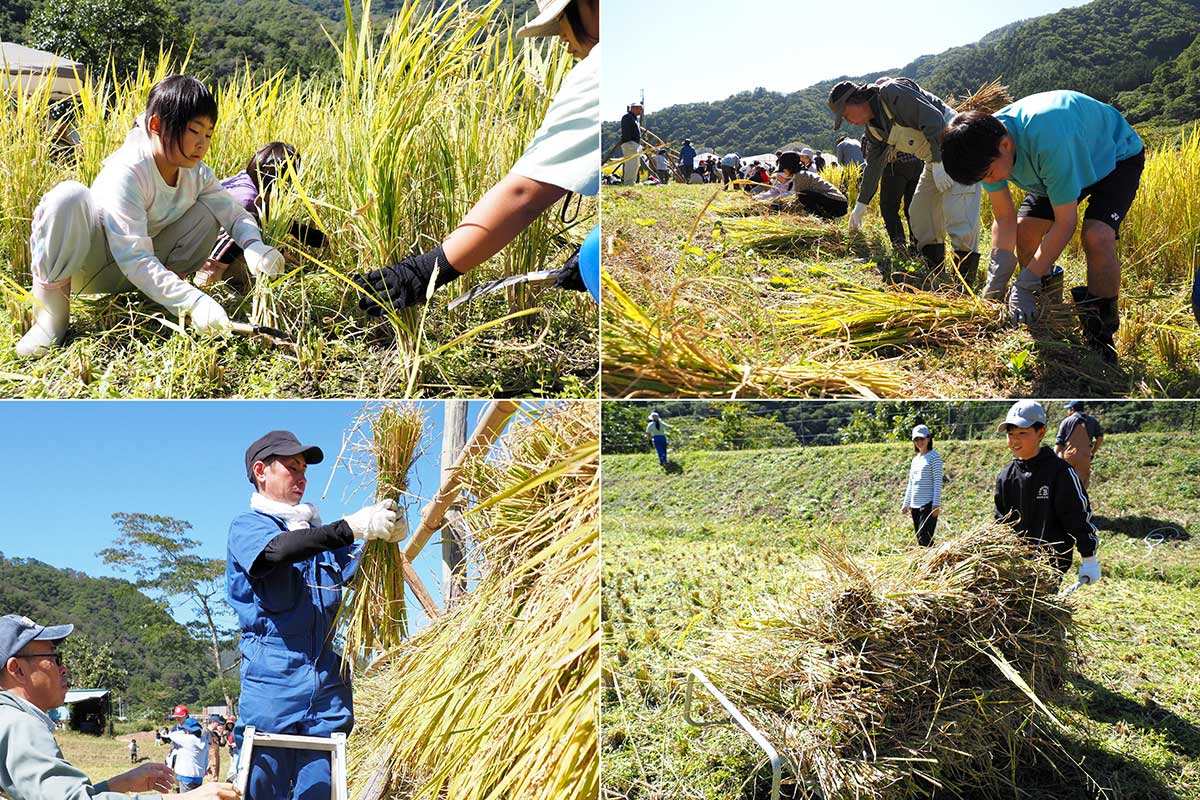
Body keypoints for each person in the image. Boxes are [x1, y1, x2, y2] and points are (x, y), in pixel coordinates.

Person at [352, 0, 600, 313]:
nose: (562, 36)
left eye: (561, 17)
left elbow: (524, 195)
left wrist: (424, 270)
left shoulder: (597, 71)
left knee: (596, 251)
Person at [15, 75, 285, 357]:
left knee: (210, 210)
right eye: (194, 131)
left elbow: (234, 214)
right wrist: (192, 301)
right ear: (156, 125)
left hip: (139, 274)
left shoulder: (197, 174)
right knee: (68, 195)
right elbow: (134, 257)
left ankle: (162, 298)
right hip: (89, 269)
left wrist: (254, 245)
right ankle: (51, 317)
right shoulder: (129, 171)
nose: (202, 144)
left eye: (208, 134)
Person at [227, 430, 407, 800]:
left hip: (327, 682)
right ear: (261, 471)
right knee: (261, 785)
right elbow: (277, 552)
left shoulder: (320, 537)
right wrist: (349, 528)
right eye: (292, 468)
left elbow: (362, 573)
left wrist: (384, 538)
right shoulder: (249, 526)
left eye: (304, 470)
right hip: (273, 681)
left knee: (320, 788)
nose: (302, 477)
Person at [941, 92, 1144, 363]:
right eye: (983, 178)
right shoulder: (982, 148)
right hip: (1059, 166)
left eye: (988, 175)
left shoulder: (1046, 141)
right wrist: (998, 273)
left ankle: (1100, 336)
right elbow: (1004, 217)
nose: (989, 180)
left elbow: (1065, 223)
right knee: (1025, 231)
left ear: (1005, 145)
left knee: (1097, 236)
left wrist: (1024, 283)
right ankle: (1048, 310)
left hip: (1113, 158)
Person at [0, 614, 239, 800]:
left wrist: (120, 783)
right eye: (54, 658)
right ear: (17, 669)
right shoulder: (19, 724)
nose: (63, 669)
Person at [829, 78, 983, 287]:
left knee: (959, 213)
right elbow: (873, 167)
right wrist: (861, 205)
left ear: (855, 100)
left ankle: (964, 284)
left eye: (846, 114)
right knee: (920, 211)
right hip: (932, 160)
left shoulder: (892, 93)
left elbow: (934, 120)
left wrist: (939, 161)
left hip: (957, 146)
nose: (848, 120)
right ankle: (935, 272)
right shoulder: (874, 130)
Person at [195, 142, 327, 289]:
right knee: (264, 262)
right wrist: (204, 291)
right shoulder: (247, 205)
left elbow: (284, 224)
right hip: (196, 255)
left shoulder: (248, 181)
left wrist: (324, 240)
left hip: (197, 242)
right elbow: (211, 267)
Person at [994, 401, 1101, 581]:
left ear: (1041, 432)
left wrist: (1089, 559)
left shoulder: (1060, 473)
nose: (1015, 440)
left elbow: (1077, 517)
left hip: (1050, 565)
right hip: (1016, 565)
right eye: (1010, 434)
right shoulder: (1006, 476)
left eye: (1022, 433)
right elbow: (1000, 521)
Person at [770, 151, 848, 219]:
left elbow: (799, 202)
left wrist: (781, 208)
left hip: (838, 205)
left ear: (790, 168)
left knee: (804, 196)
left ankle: (826, 218)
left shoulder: (801, 176)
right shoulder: (800, 175)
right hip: (835, 203)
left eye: (784, 170)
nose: (784, 172)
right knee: (804, 197)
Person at [902, 424, 943, 547]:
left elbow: (937, 481)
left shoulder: (934, 457)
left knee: (925, 538)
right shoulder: (915, 460)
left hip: (928, 504)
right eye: (916, 439)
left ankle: (933, 558)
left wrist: (936, 504)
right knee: (920, 538)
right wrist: (906, 504)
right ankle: (927, 558)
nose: (919, 442)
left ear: (928, 438)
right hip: (915, 505)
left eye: (922, 438)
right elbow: (911, 483)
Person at [878, 146, 924, 252]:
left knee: (889, 207)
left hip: (896, 163)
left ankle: (899, 244)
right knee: (913, 208)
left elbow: (872, 159)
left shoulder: (871, 137)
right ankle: (917, 245)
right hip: (917, 162)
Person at [1054, 401, 1104, 490]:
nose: (1068, 412)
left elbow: (1059, 443)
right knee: (1081, 485)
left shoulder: (1066, 421)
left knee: (1066, 483)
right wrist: (1092, 452)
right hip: (1085, 456)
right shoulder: (1092, 421)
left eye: (1068, 409)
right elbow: (1100, 438)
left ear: (1072, 409)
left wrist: (1054, 457)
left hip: (1068, 457)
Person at [167, 718, 208, 792]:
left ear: (188, 730)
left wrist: (183, 730)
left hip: (186, 775)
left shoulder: (188, 739)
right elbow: (206, 758)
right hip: (199, 776)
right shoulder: (204, 740)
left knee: (186, 797)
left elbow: (172, 735)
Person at [620, 100, 643, 186]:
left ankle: (632, 181)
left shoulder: (634, 118)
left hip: (635, 143)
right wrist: (629, 142)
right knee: (631, 163)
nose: (640, 111)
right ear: (634, 108)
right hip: (630, 143)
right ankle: (628, 182)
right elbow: (626, 130)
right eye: (639, 109)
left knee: (635, 164)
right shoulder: (627, 117)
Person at [204, 716, 225, 783]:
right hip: (209, 759)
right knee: (210, 777)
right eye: (218, 723)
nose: (219, 725)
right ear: (213, 722)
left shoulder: (215, 734)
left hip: (216, 758)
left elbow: (222, 744)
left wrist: (221, 734)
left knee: (215, 776)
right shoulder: (205, 732)